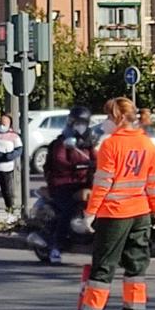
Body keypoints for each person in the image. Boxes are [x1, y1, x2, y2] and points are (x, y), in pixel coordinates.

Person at [61, 97, 155, 310]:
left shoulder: (110, 145)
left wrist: (90, 213)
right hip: (141, 213)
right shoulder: (148, 145)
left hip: (115, 214)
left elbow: (103, 184)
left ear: (117, 118)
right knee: (136, 267)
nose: (106, 121)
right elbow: (154, 182)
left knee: (103, 266)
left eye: (108, 117)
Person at [42, 106, 96, 264]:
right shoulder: (62, 141)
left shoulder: (89, 142)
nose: (81, 125)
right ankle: (56, 246)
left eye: (84, 122)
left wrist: (98, 164)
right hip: (63, 184)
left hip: (83, 183)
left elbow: (96, 158)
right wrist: (76, 166)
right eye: (78, 122)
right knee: (69, 208)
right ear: (71, 122)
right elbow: (59, 160)